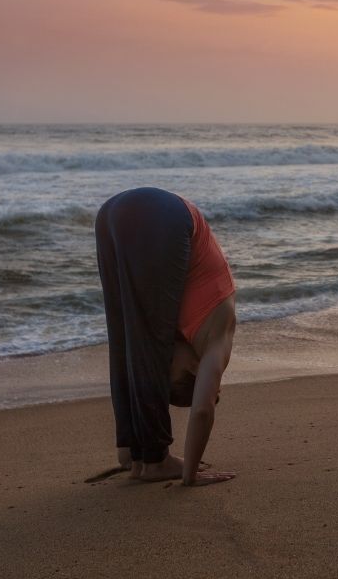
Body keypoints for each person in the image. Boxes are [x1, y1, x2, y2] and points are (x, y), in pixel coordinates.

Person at [94, 187, 237, 486]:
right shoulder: (218, 340)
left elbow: (130, 351)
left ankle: (133, 451)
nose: (165, 360)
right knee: (146, 345)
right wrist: (191, 477)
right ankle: (155, 460)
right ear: (194, 368)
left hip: (110, 213)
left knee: (124, 336)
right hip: (164, 214)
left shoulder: (186, 334)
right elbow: (203, 409)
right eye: (169, 368)